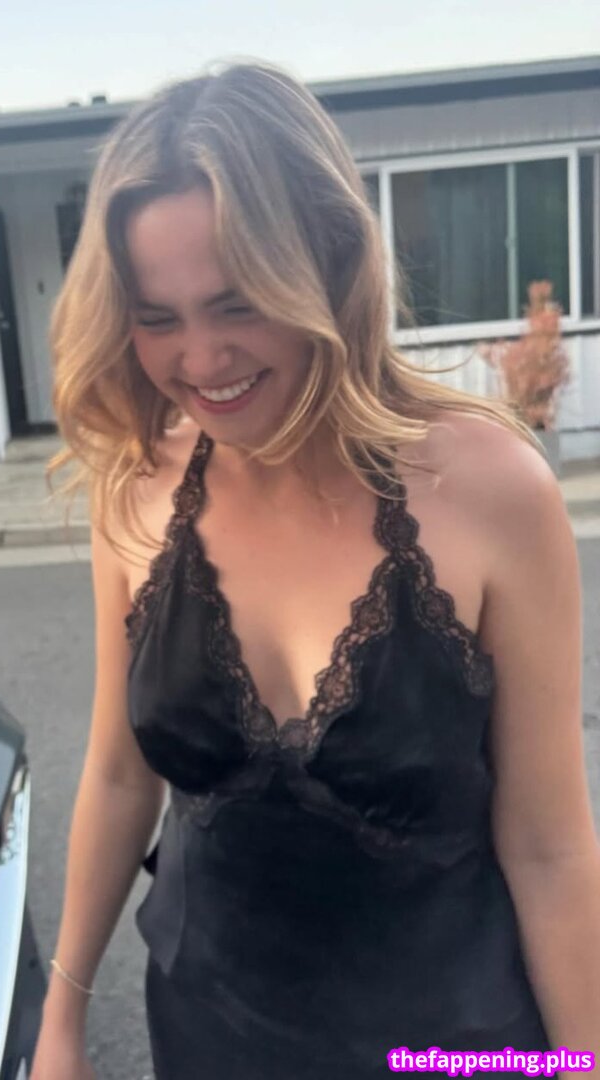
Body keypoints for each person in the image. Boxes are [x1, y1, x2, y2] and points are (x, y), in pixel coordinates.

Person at [31, 59, 600, 1080]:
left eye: (237, 303)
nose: (201, 359)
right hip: (206, 1035)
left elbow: (550, 846)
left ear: (329, 266)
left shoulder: (490, 491)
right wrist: (62, 1022)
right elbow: (118, 774)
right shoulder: (139, 493)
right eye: (157, 317)